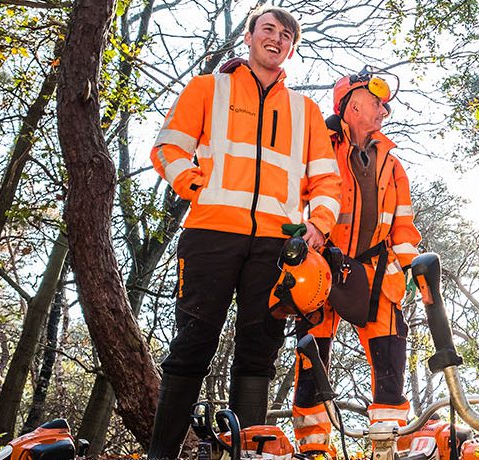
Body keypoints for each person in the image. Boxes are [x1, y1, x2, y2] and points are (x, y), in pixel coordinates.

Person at [145, 6, 341, 458]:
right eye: (268, 30)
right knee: (193, 340)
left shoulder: (305, 110)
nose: (276, 38)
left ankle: (248, 453)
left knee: (259, 349)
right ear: (249, 37)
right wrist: (196, 185)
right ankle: (161, 454)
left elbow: (327, 181)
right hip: (211, 233)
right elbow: (168, 146)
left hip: (276, 246)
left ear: (292, 47)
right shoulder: (208, 89)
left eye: (286, 34)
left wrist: (318, 224)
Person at [288, 70, 422, 459]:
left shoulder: (392, 164)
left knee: (391, 358)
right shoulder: (317, 147)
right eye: (377, 101)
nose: (384, 109)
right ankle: (312, 448)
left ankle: (387, 442)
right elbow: (295, 194)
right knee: (312, 357)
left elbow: (403, 224)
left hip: (377, 272)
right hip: (320, 268)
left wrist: (411, 264)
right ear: (350, 103)